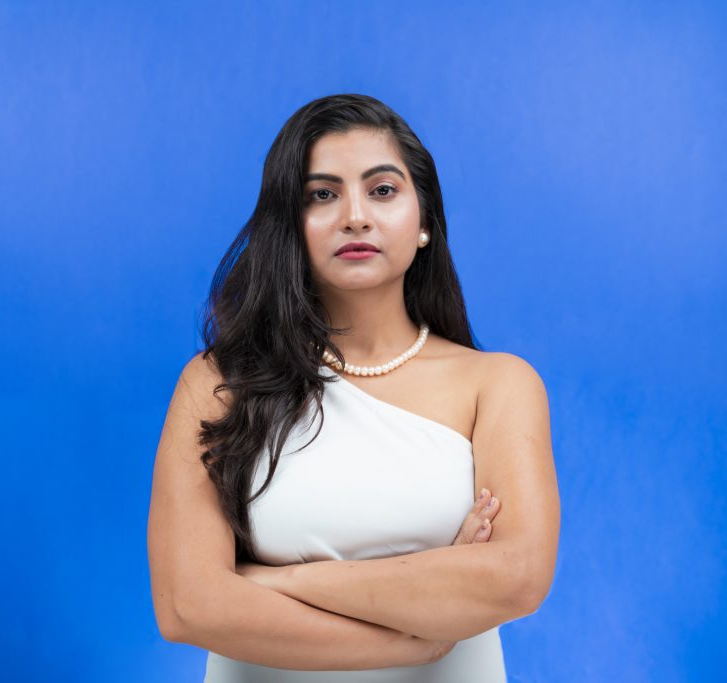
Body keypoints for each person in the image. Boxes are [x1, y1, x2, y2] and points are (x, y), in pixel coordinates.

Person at [147, 93, 560, 681]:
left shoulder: (497, 385)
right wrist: (418, 635)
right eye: (322, 194)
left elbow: (517, 577)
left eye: (383, 190)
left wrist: (277, 580)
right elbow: (189, 606)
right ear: (289, 226)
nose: (355, 216)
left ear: (425, 224)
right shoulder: (219, 382)